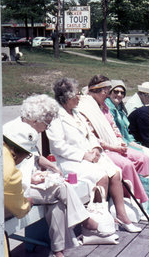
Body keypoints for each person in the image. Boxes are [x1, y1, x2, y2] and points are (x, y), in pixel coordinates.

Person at [3, 94, 114, 257]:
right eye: (47, 123)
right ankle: (85, 222)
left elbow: (29, 156)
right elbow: (12, 166)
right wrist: (32, 177)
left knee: (57, 202)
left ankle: (58, 250)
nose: (47, 127)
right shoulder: (15, 132)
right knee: (61, 188)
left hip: (25, 183)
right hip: (17, 191)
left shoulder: (26, 128)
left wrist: (47, 166)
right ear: (35, 120)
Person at [47, 78, 142, 233]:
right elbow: (58, 147)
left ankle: (121, 215)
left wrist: (96, 148)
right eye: (77, 95)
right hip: (70, 161)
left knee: (116, 172)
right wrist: (84, 155)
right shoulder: (57, 117)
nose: (79, 97)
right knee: (101, 176)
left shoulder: (76, 113)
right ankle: (98, 220)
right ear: (67, 98)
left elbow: (90, 135)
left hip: (90, 156)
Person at [77, 75, 149, 205]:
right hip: (103, 150)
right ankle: (133, 202)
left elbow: (113, 127)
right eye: (105, 91)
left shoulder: (104, 107)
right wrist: (114, 147)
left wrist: (119, 140)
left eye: (108, 91)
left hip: (115, 144)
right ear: (94, 91)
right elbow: (93, 138)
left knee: (143, 158)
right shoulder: (86, 108)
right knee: (127, 165)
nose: (107, 94)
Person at [105, 80, 149, 186]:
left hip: (128, 139)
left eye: (122, 93)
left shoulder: (120, 108)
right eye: (116, 91)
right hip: (120, 142)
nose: (119, 94)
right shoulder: (109, 109)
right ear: (110, 93)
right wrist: (131, 142)